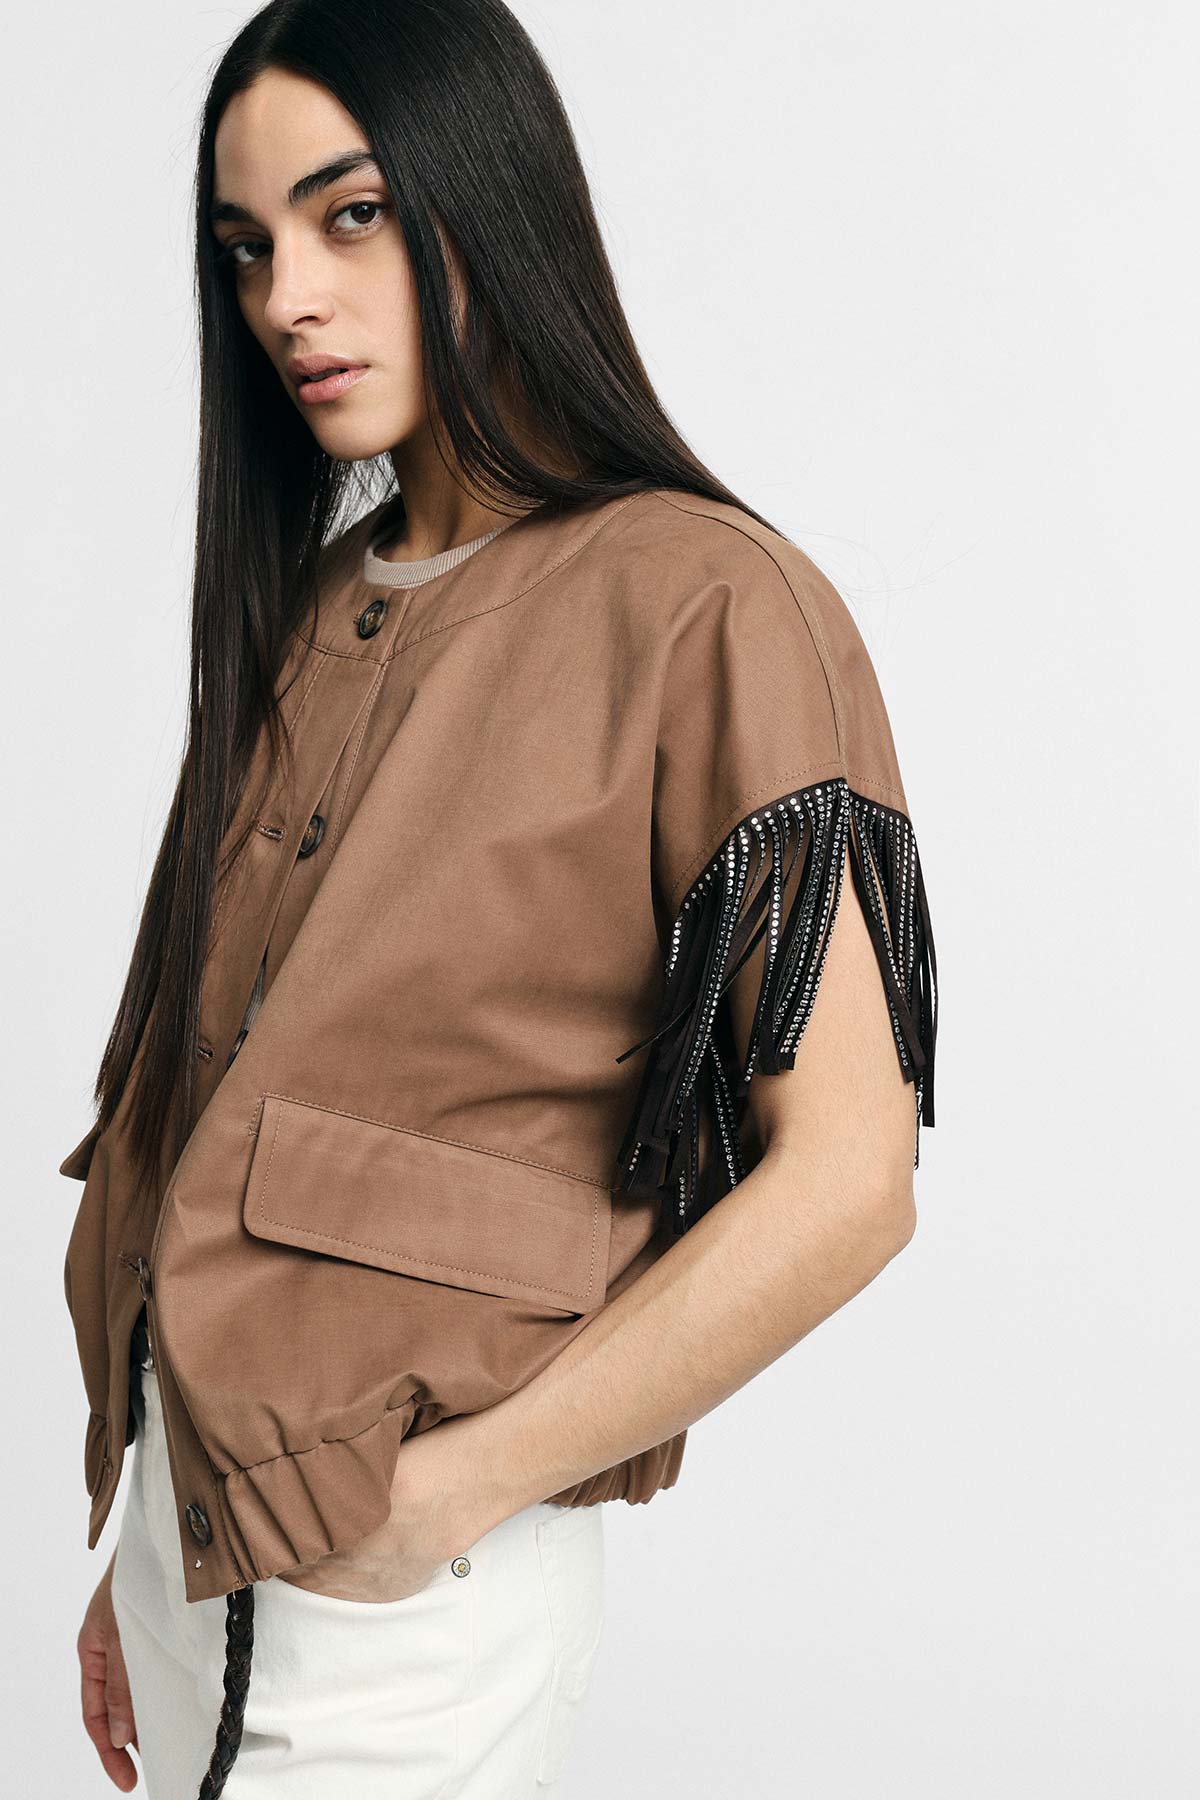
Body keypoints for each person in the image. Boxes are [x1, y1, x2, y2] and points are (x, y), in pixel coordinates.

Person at [64, 2, 939, 1795]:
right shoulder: (309, 611)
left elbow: (850, 1181)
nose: (288, 295)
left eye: (351, 214)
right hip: (193, 1555)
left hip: (413, 1597)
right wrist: (147, 1542)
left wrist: (458, 1487)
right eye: (247, 250)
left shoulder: (708, 605)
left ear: (489, 200)